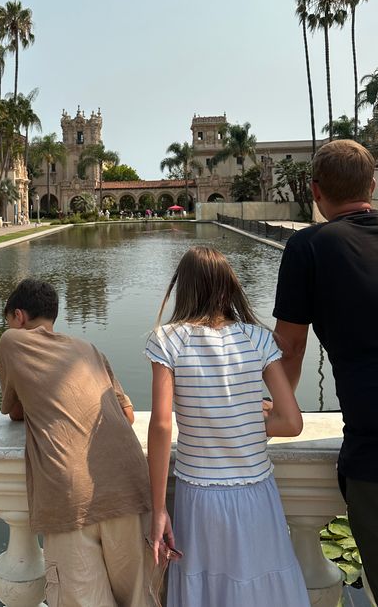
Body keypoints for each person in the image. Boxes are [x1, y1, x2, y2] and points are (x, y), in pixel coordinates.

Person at [273, 140, 378, 607]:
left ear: (316, 192)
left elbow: (290, 345)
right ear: (374, 185)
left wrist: (281, 411)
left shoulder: (309, 247)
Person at [146, 246, 309, 606]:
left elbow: (160, 425)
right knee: (259, 588)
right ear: (227, 288)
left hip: (199, 495)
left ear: (183, 288)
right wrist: (254, 421)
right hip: (256, 493)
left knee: (205, 590)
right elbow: (292, 422)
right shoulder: (258, 338)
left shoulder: (168, 340)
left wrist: (158, 509)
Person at [0, 278, 152, 607]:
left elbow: (13, 410)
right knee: (141, 598)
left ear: (19, 317)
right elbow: (127, 413)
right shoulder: (88, 350)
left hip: (72, 495)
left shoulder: (12, 341)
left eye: (8, 319)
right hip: (130, 484)